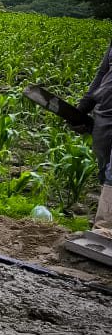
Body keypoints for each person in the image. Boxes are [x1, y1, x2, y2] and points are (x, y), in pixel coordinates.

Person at [77, 37, 112, 232]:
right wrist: (84, 107)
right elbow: (102, 73)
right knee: (104, 169)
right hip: (105, 113)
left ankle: (103, 230)